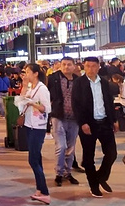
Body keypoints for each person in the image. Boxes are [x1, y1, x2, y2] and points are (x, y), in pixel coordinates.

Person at [71, 56, 118, 198]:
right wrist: (83, 123)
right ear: (84, 67)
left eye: (93, 66)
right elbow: (76, 105)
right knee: (89, 157)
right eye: (88, 66)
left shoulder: (104, 82)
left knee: (111, 153)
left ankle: (101, 176)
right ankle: (94, 185)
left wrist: (114, 120)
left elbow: (109, 102)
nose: (91, 69)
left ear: (98, 67)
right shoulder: (79, 83)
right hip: (88, 124)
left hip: (104, 122)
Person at [15, 63, 51, 205]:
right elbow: (21, 100)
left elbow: (46, 108)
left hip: (38, 127)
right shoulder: (31, 87)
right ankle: (40, 190)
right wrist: (24, 85)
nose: (26, 74)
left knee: (33, 159)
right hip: (29, 125)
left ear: (35, 73)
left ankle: (45, 192)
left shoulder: (42, 89)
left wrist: (32, 104)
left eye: (28, 72)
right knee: (37, 158)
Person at [47, 57, 80, 187]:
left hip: (74, 118)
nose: (66, 67)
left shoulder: (78, 81)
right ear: (60, 65)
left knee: (71, 148)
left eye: (69, 65)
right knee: (61, 147)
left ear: (74, 66)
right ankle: (59, 173)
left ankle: (68, 172)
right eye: (64, 64)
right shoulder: (53, 79)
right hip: (58, 116)